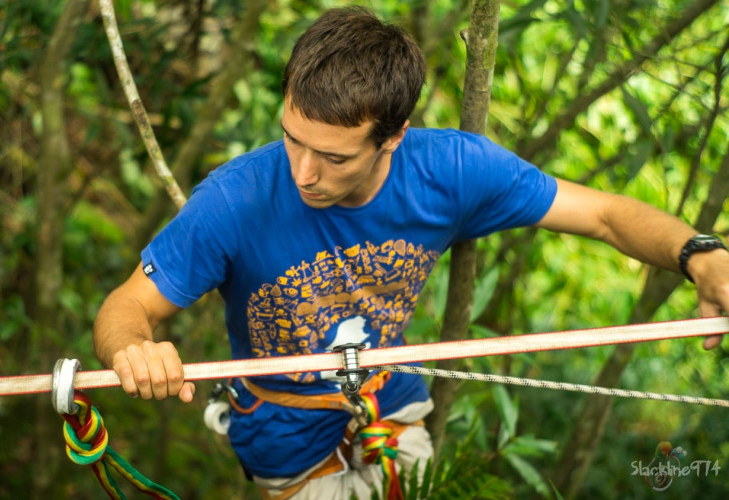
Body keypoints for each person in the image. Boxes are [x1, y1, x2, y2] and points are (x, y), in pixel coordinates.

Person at [92, 6, 729, 499]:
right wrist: (133, 349)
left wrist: (699, 253)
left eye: (334, 156)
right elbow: (126, 307)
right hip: (283, 437)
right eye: (292, 140)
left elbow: (606, 215)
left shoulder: (451, 171)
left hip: (392, 404)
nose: (304, 172)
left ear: (393, 136)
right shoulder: (236, 199)